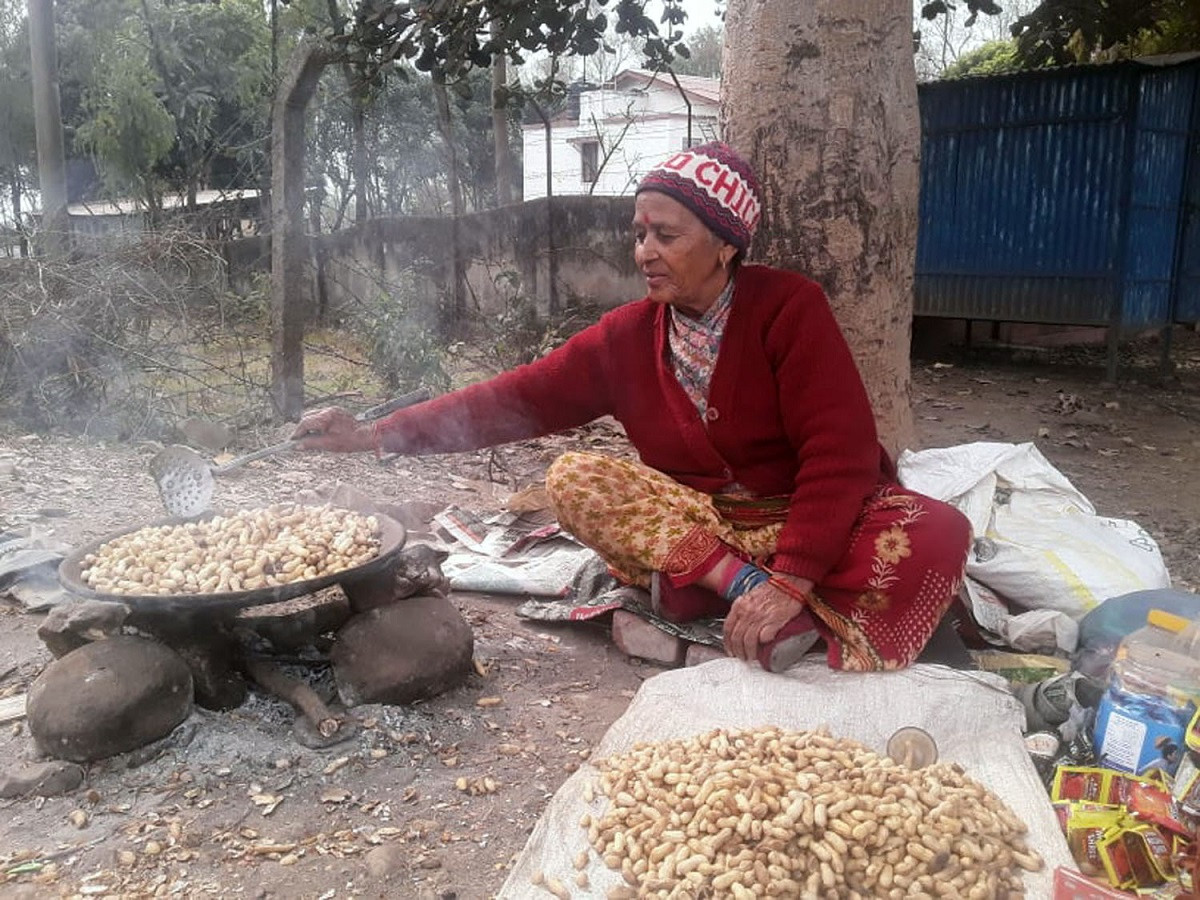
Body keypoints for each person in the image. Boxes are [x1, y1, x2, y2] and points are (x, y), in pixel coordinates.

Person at [292, 141, 972, 673]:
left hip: (793, 516)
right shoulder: (624, 337)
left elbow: (840, 452)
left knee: (936, 531)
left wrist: (792, 577)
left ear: (726, 244)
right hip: (702, 526)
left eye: (666, 235)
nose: (644, 251)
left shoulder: (789, 309)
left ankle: (735, 595)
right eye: (639, 232)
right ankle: (742, 596)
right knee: (575, 478)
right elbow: (513, 400)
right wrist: (376, 435)